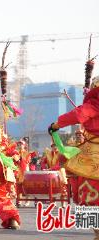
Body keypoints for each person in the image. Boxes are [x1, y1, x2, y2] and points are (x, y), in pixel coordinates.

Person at [48, 76, 99, 238]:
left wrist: (56, 125)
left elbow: (78, 115)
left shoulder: (94, 104)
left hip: (94, 155)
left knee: (89, 198)